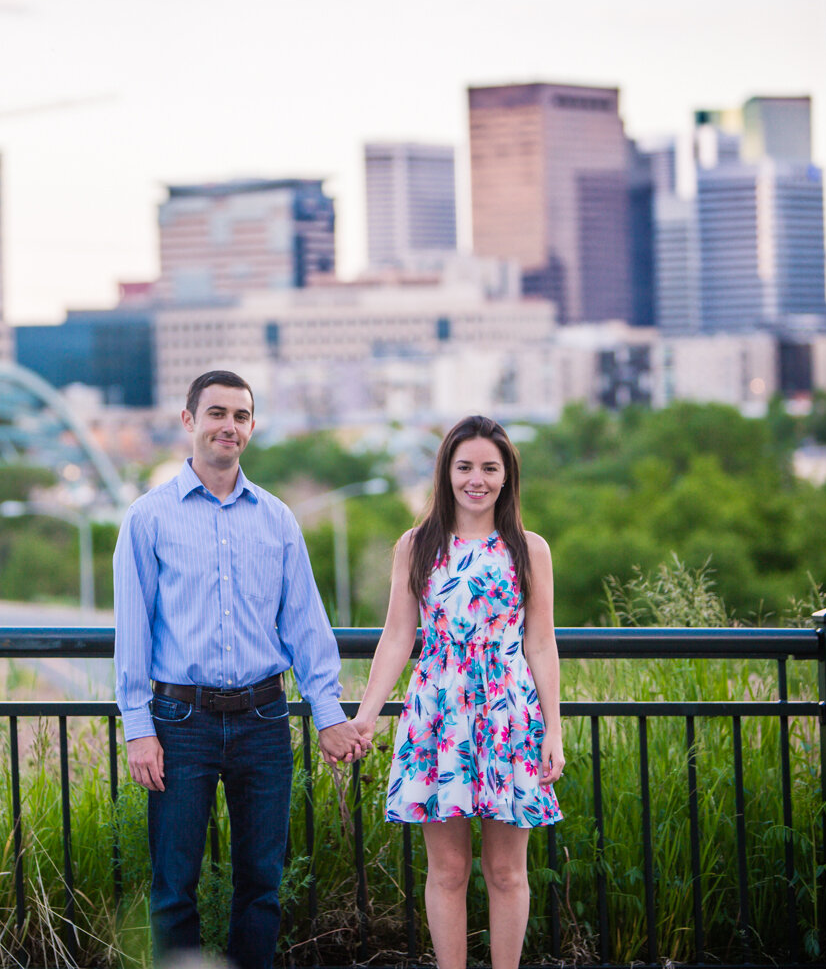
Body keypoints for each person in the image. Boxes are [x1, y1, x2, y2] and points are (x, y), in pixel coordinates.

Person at [113, 369, 371, 969]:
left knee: (262, 884)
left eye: (242, 416)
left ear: (251, 428)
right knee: (173, 885)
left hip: (263, 720)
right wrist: (137, 726)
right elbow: (133, 631)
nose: (229, 426)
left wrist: (329, 713)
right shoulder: (148, 518)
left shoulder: (277, 519)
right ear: (189, 421)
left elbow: (306, 625)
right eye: (217, 413)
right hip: (179, 722)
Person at [350, 415, 563, 969]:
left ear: (506, 475)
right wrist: (367, 715)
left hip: (508, 719)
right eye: (464, 466)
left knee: (506, 871)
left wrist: (553, 734)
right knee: (447, 871)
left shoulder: (528, 548)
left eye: (489, 468)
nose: (477, 478)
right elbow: (398, 635)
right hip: (438, 717)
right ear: (446, 472)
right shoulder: (417, 545)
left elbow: (541, 644)